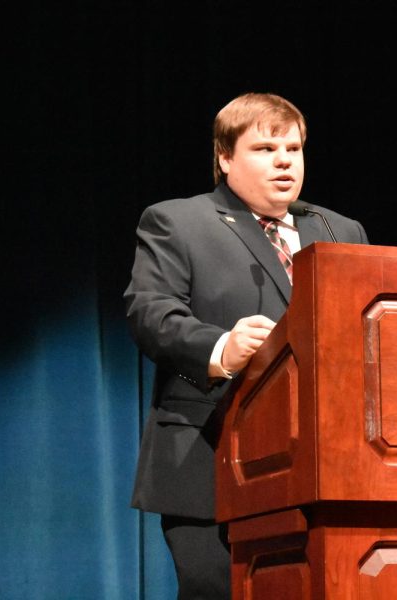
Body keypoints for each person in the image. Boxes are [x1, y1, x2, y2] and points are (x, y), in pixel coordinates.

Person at [124, 92, 369, 599]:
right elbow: (151, 313)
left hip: (323, 465)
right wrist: (220, 348)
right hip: (211, 455)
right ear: (225, 158)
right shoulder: (178, 222)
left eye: (294, 148)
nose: (284, 160)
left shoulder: (337, 230)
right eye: (264, 148)